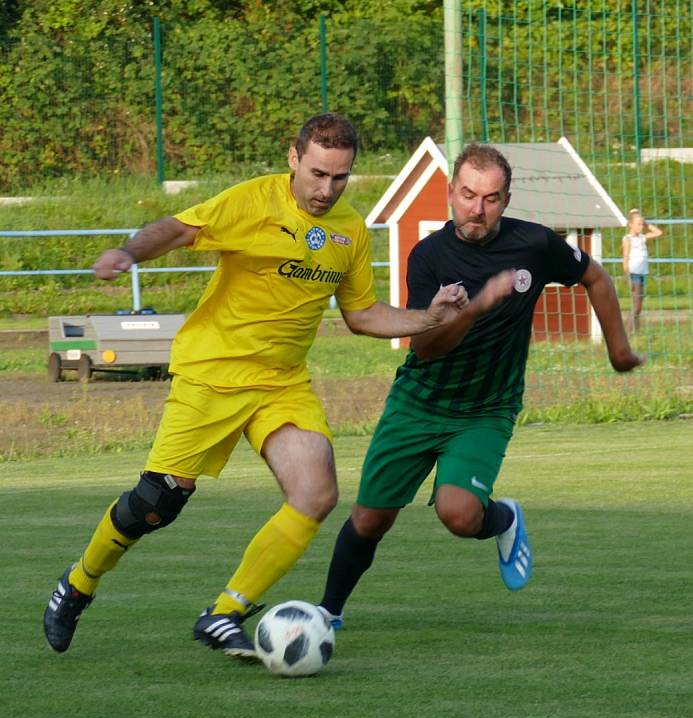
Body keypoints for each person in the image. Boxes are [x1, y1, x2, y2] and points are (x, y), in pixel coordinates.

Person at [43, 113, 468, 659]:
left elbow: (362, 314)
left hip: (281, 383)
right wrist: (129, 253)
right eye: (317, 174)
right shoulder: (252, 202)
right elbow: (177, 228)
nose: (325, 189)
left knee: (316, 494)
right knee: (158, 501)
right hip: (213, 373)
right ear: (294, 158)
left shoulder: (350, 230)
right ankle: (78, 584)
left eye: (339, 178)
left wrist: (429, 318)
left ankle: (224, 613)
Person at [317, 142, 644, 629]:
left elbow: (595, 276)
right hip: (419, 401)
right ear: (451, 193)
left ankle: (503, 519)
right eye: (468, 194)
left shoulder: (534, 244)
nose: (478, 208)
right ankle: (328, 613)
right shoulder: (427, 256)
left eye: (491, 198)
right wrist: (473, 308)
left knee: (459, 515)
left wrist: (618, 350)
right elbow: (425, 349)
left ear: (506, 201)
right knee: (370, 520)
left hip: (486, 410)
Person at [622, 208, 663, 333]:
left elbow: (658, 232)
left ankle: (636, 332)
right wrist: (627, 277)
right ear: (631, 225)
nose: (641, 227)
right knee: (636, 306)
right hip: (634, 274)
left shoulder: (642, 237)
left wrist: (646, 223)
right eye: (638, 224)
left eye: (641, 224)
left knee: (639, 305)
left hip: (641, 274)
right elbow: (625, 259)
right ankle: (627, 332)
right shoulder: (628, 239)